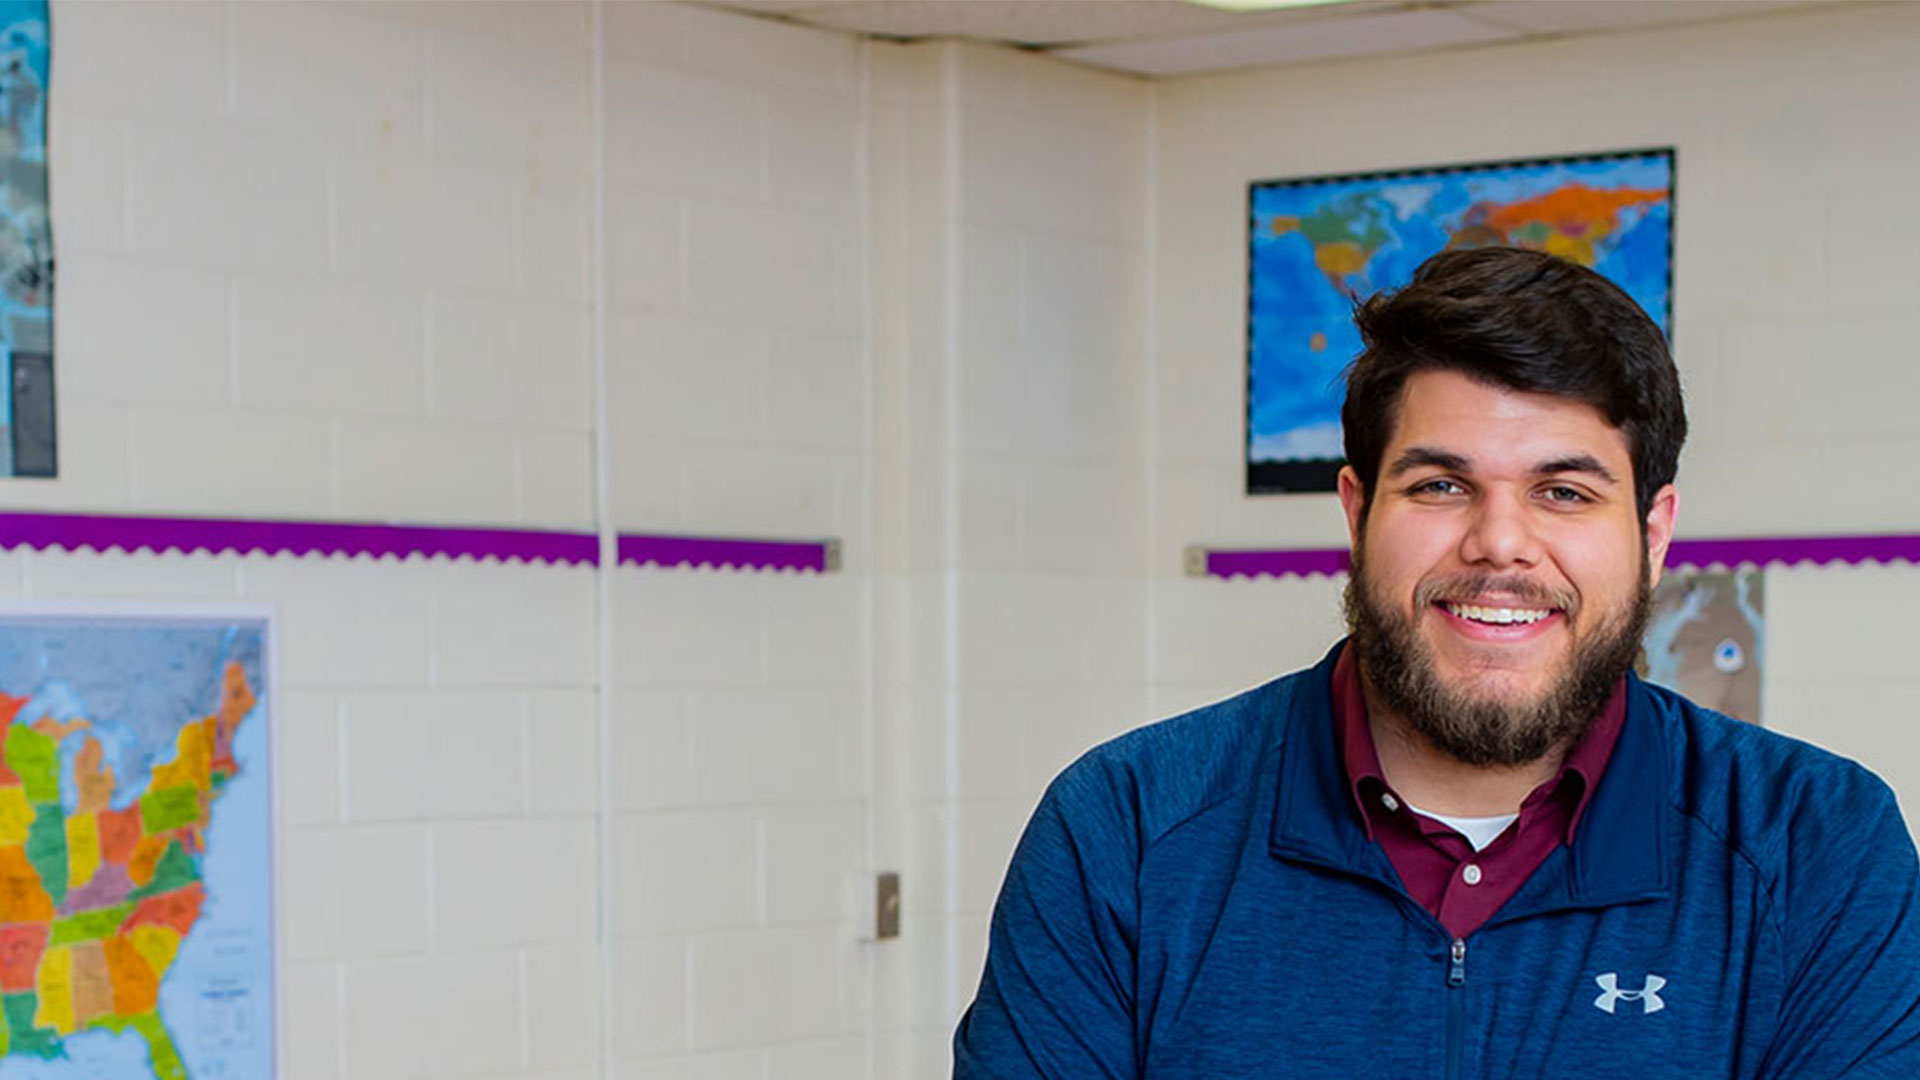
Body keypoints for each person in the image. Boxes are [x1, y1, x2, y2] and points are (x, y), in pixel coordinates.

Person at [952, 247, 1920, 1079]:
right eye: (1442, 484)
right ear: (1356, 510)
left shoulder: (1813, 842)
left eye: (1566, 493)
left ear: (1654, 530)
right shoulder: (1128, 826)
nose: (1501, 545)